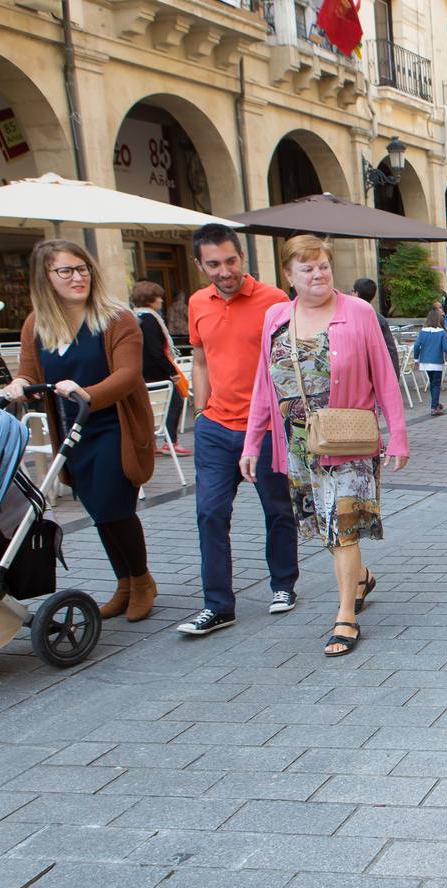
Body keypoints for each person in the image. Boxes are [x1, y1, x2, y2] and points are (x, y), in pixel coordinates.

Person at [241, 235, 410, 657]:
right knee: (327, 531)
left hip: (349, 440)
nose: (318, 275)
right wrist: (251, 442)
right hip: (298, 446)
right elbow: (265, 383)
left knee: (342, 526)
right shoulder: (276, 318)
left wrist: (399, 435)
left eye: (323, 266)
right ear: (288, 275)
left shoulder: (358, 313)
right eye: (307, 268)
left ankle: (345, 617)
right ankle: (361, 576)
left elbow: (385, 376)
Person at [4, 240, 156, 622]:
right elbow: (29, 371)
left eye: (82, 268)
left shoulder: (115, 318)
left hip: (113, 428)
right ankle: (123, 583)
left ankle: (142, 580)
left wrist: (87, 393)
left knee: (115, 507)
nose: (78, 277)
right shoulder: (37, 324)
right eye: (66, 271)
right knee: (98, 510)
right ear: (46, 278)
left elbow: (127, 375)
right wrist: (18, 384)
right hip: (73, 433)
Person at [177, 224, 299, 637]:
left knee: (277, 508)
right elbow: (201, 358)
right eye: (213, 264)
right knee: (209, 512)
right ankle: (218, 604)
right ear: (200, 264)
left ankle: (283, 584)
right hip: (214, 425)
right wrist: (199, 410)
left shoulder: (275, 301)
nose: (224, 271)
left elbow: (288, 362)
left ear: (242, 258)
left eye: (231, 261)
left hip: (265, 427)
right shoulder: (198, 303)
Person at [130, 281, 189, 455]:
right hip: (155, 371)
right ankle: (170, 442)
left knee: (147, 408)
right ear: (150, 299)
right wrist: (171, 372)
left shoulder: (134, 317)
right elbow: (155, 350)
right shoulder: (150, 320)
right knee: (175, 402)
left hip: (142, 371)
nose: (161, 301)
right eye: (158, 298)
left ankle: (151, 444)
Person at [413, 307, 447, 415]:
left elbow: (416, 346)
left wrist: (416, 359)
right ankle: (434, 407)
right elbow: (446, 348)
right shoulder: (441, 332)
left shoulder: (423, 331)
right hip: (437, 362)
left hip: (425, 362)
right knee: (436, 384)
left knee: (433, 383)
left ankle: (436, 403)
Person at [352, 278, 400, 377]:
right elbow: (391, 350)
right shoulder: (380, 319)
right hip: (375, 373)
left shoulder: (346, 318)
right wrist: (394, 376)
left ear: (356, 293)